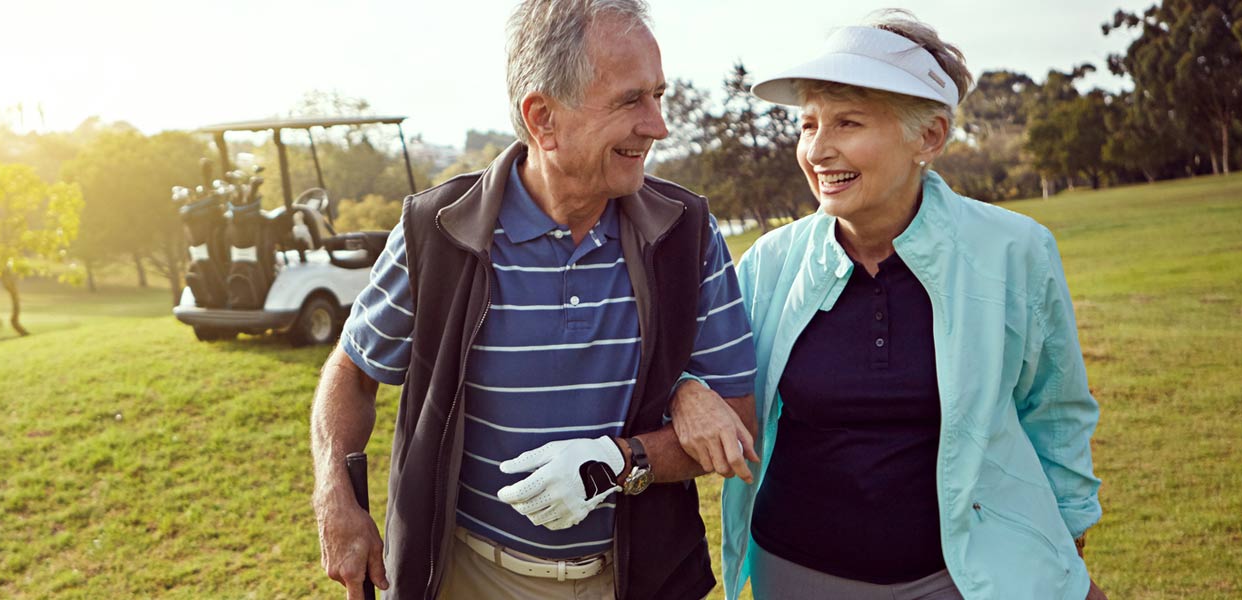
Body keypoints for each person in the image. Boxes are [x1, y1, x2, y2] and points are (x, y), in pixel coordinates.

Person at [308, 1, 761, 598]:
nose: (658, 125)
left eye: (658, 95)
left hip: (632, 579)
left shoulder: (688, 235)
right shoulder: (436, 233)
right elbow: (353, 370)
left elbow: (739, 424)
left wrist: (616, 463)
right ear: (543, 117)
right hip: (469, 576)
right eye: (631, 100)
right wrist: (334, 493)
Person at [672, 10, 1106, 600]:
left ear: (928, 136)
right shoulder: (769, 262)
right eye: (807, 125)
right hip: (798, 574)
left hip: (968, 576)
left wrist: (1066, 550)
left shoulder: (1015, 250)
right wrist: (686, 390)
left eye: (847, 123)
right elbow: (703, 373)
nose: (818, 150)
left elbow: (1055, 410)